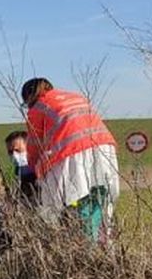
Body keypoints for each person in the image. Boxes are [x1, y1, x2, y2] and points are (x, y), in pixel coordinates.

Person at [21, 78, 119, 241]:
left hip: (73, 154)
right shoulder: (75, 96)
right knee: (99, 197)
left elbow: (34, 145)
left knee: (78, 199)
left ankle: (86, 248)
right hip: (104, 149)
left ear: (28, 98)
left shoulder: (38, 108)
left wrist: (31, 170)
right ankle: (102, 244)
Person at [4, 130, 39, 203]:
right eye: (10, 152)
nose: (14, 155)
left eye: (17, 150)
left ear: (29, 147)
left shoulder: (39, 170)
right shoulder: (16, 171)